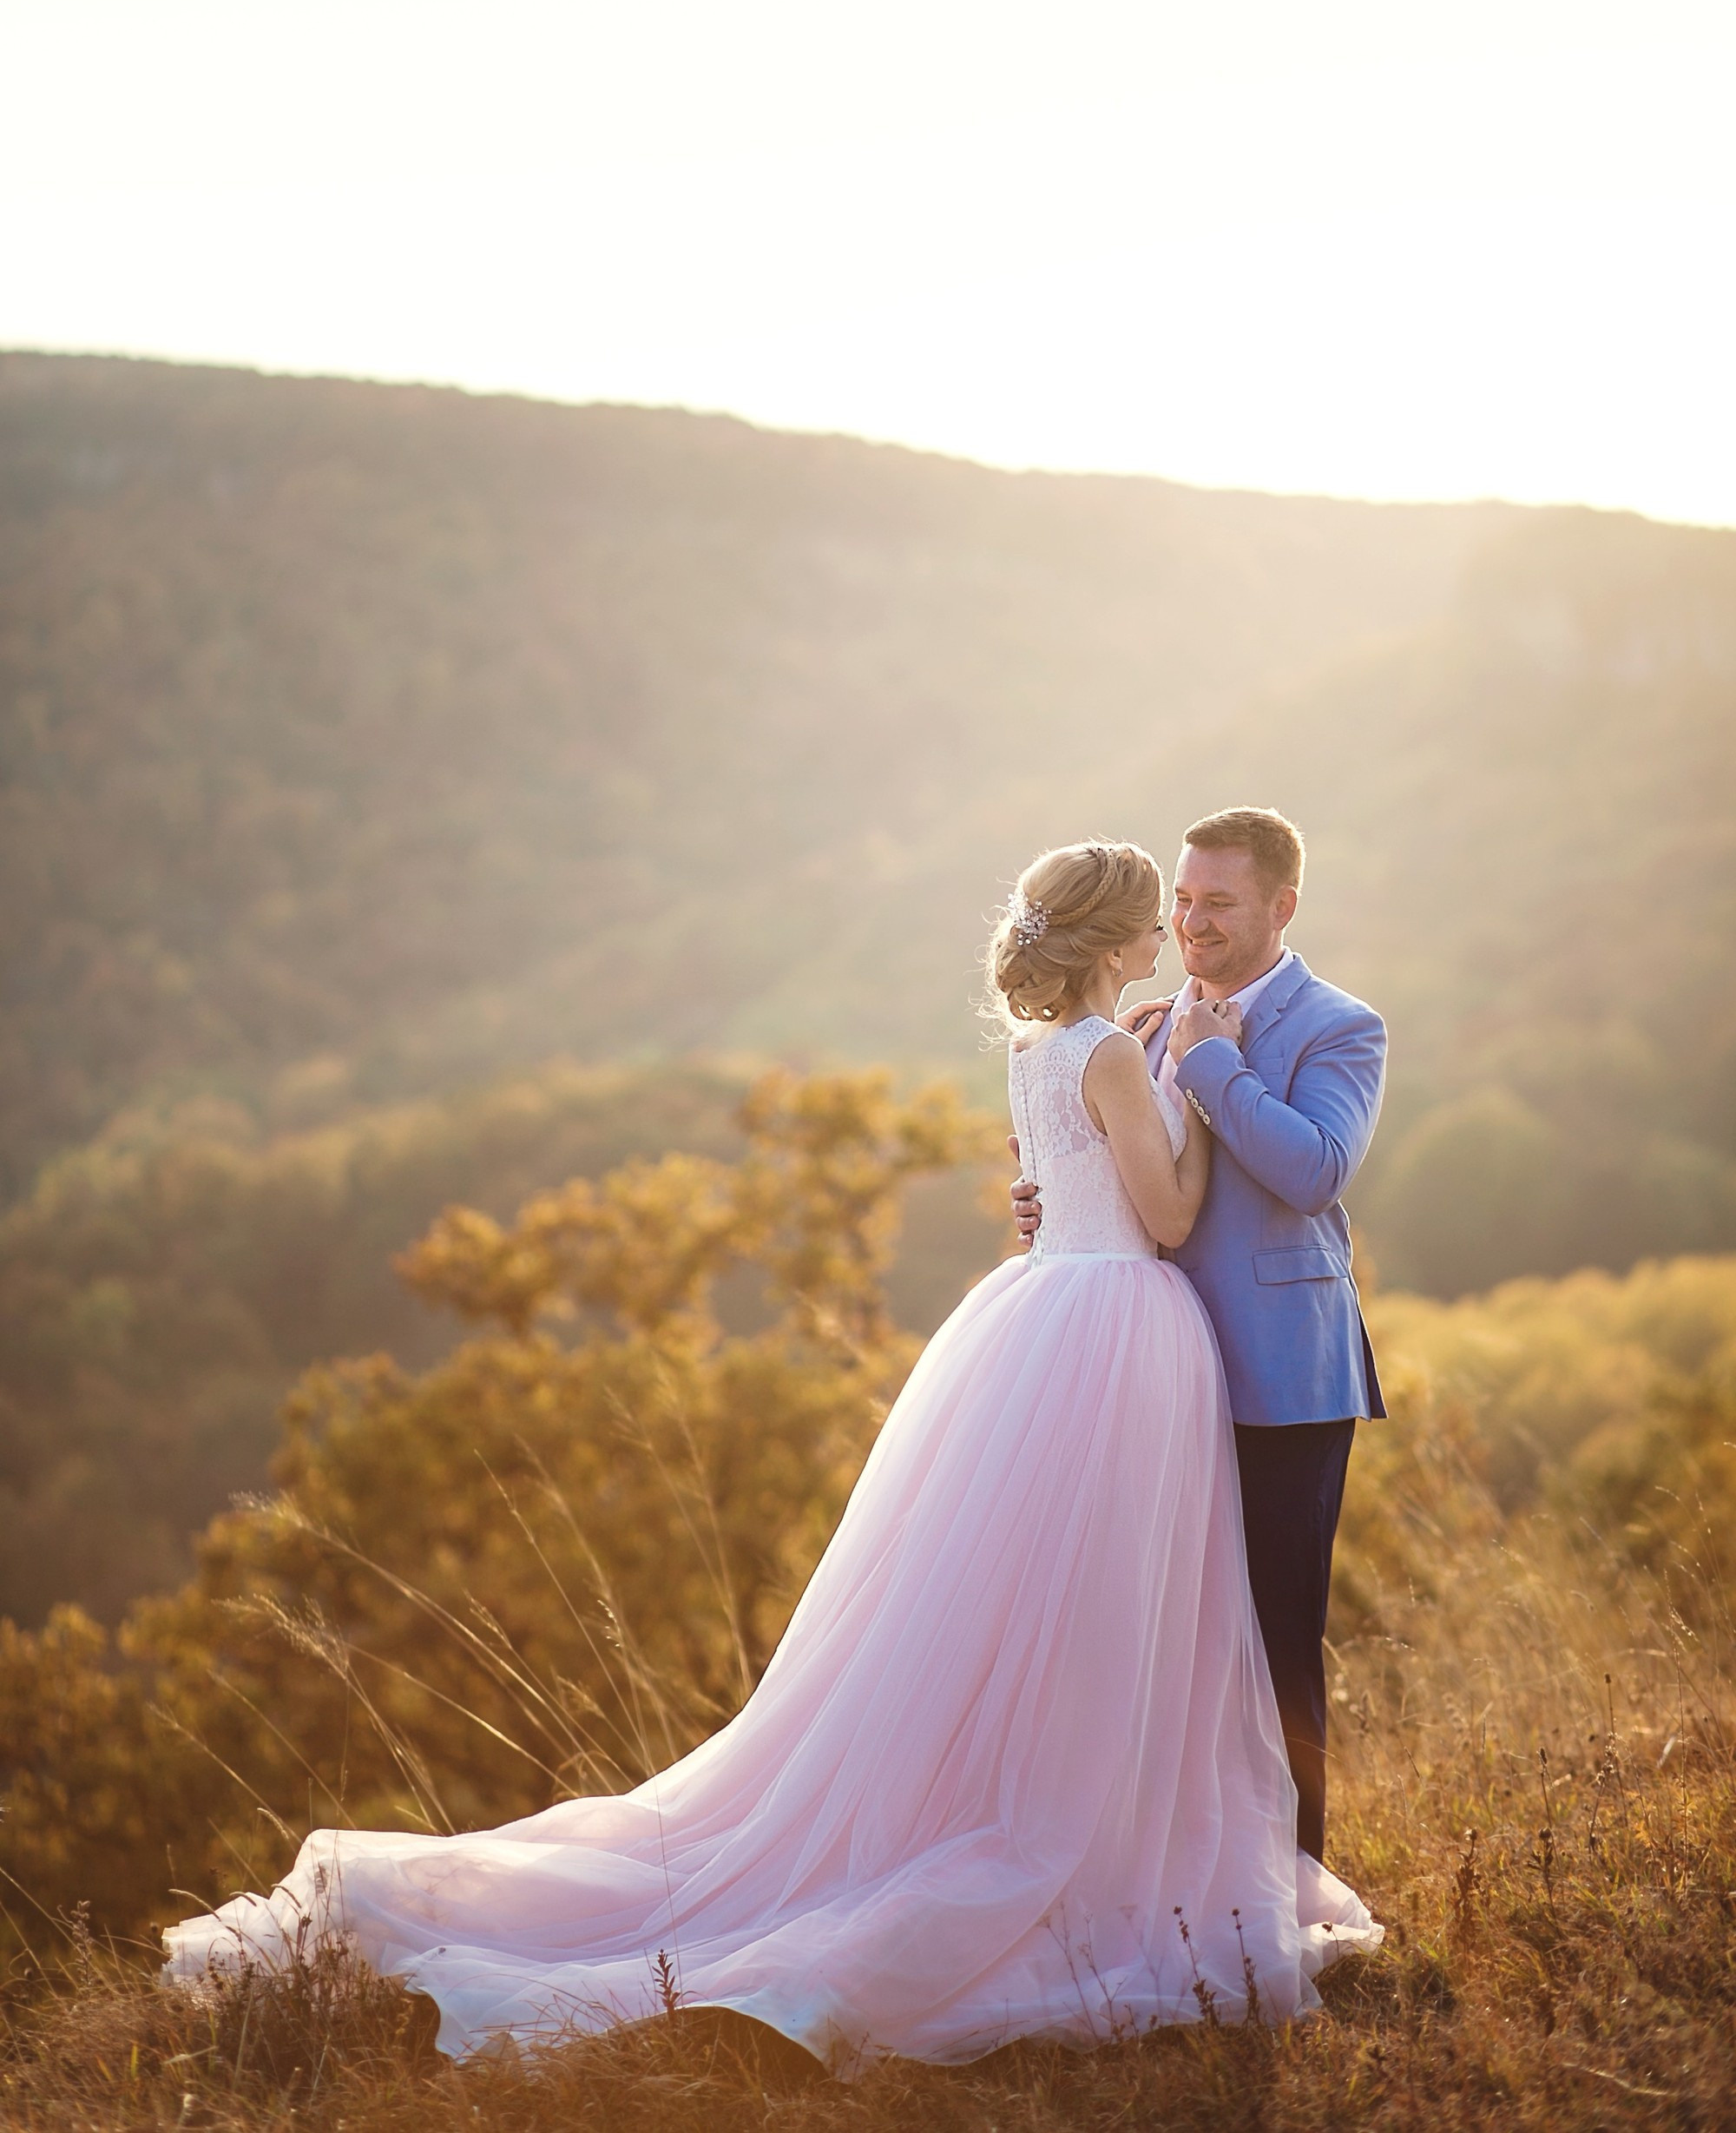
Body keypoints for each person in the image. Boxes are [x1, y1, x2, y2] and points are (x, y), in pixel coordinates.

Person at [165, 839, 1378, 2071]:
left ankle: (1057, 1822)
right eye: (1162, 913)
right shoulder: (1124, 1047)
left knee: (1021, 1613)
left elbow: (1059, 1183)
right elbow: (1168, 1217)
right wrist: (1199, 1109)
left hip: (1042, 1320)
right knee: (1111, 1614)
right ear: (1125, 937)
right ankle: (1094, 1847)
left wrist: (1100, 1165)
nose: (1176, 930)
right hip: (1118, 1333)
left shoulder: (1040, 1050)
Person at [1010, 808, 1386, 1865]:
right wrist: (1041, 1199)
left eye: (1216, 902)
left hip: (1277, 1377)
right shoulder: (1126, 1029)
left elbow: (1314, 1170)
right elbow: (1101, 1169)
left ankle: (1292, 1886)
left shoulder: (1338, 1026)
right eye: (1180, 900)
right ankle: (1165, 1873)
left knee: (1273, 1643)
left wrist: (1216, 1070)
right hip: (1138, 1375)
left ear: (1280, 907)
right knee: (1145, 1641)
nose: (1189, 923)